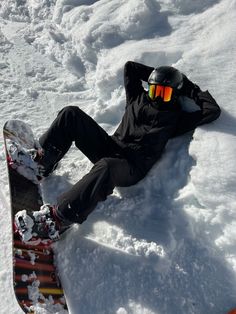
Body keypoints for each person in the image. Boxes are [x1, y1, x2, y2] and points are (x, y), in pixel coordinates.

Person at [14, 61, 221, 242]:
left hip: (131, 167)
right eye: (154, 90)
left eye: (164, 93)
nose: (156, 96)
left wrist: (188, 87)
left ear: (174, 94)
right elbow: (131, 67)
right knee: (71, 114)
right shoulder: (136, 98)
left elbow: (212, 110)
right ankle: (41, 163)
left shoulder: (174, 120)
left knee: (107, 166)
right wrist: (157, 77)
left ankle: (57, 221)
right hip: (111, 147)